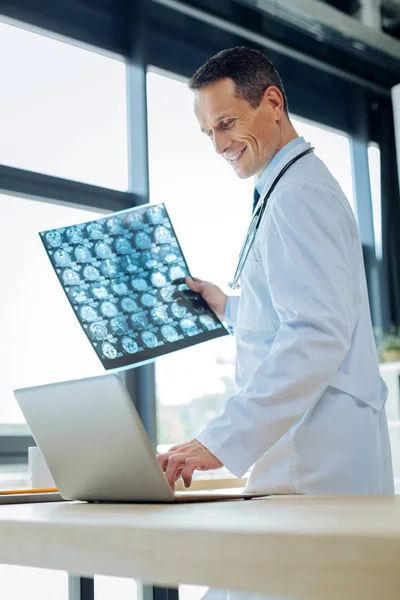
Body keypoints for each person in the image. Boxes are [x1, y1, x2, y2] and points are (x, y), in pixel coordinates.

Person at [157, 46, 394, 495]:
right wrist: (228, 308)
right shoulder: (287, 188)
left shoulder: (298, 195)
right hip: (309, 455)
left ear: (272, 103)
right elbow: (297, 310)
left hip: (316, 461)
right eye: (208, 132)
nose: (219, 145)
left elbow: (316, 332)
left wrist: (221, 440)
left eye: (226, 124)